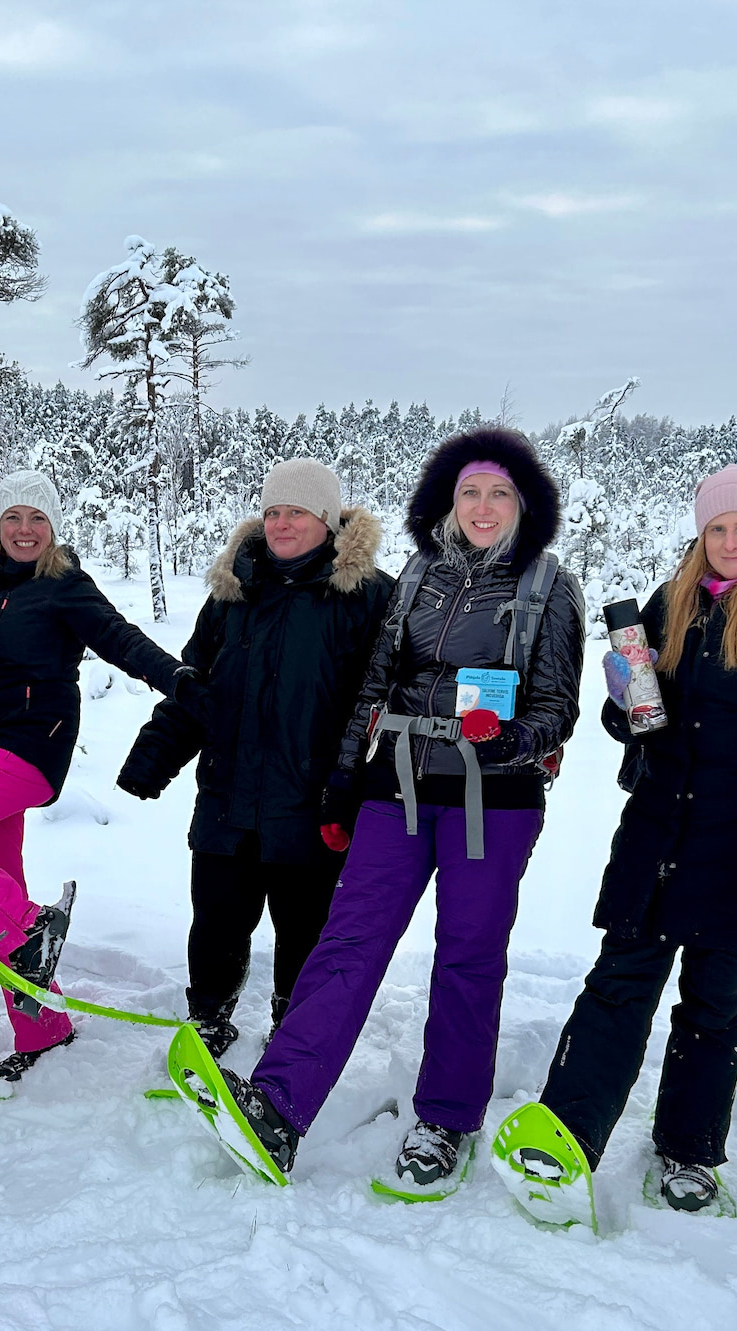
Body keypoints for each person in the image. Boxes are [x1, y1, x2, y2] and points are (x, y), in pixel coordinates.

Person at [219, 426, 586, 1196]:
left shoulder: (550, 586)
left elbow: (559, 706)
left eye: (499, 493)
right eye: (469, 493)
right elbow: (375, 687)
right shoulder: (419, 575)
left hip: (496, 797)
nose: (483, 507)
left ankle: (446, 1120)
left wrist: (514, 736)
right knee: (347, 940)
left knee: (468, 954)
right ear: (447, 502)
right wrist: (345, 782)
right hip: (401, 786)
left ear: (524, 504)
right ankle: (278, 1106)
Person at [533, 467, 737, 1211]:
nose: (731, 541)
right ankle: (564, 1135)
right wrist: (622, 701)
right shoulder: (674, 602)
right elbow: (645, 726)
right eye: (717, 528)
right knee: (618, 982)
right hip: (657, 828)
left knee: (714, 1000)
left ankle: (689, 1152)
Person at [0, 471, 196, 1094]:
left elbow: (119, 639)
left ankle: (29, 930)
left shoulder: (64, 586)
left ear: (53, 529)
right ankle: (40, 1027)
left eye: (37, 520)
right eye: (13, 520)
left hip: (28, 745)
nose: (24, 531)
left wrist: (181, 679)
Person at [117, 459, 394, 1056]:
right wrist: (154, 755)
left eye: (296, 512)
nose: (282, 523)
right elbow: (198, 688)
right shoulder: (232, 593)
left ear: (327, 519)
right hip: (228, 795)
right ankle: (208, 1021)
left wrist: (364, 786)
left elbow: (384, 704)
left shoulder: (368, 597)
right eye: (272, 512)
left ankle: (292, 1033)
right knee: (216, 919)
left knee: (305, 929)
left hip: (314, 799)